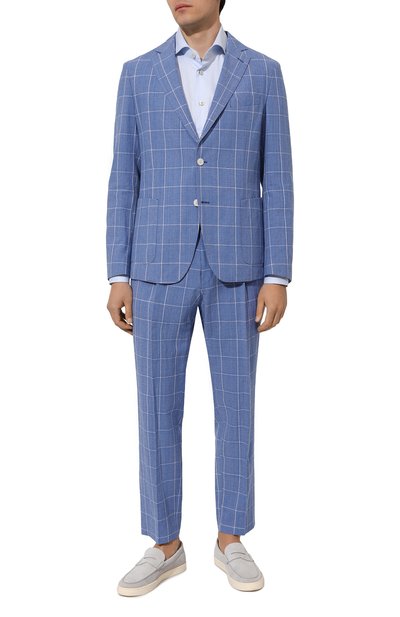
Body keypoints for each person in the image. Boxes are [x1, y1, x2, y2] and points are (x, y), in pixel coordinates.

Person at [106, 0, 294, 595]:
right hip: (155, 266)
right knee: (156, 407)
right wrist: (117, 272)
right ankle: (165, 544)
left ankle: (231, 538)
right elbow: (124, 177)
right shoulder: (138, 73)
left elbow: (278, 177)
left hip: (239, 269)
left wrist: (278, 273)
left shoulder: (262, 72)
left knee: (236, 408)